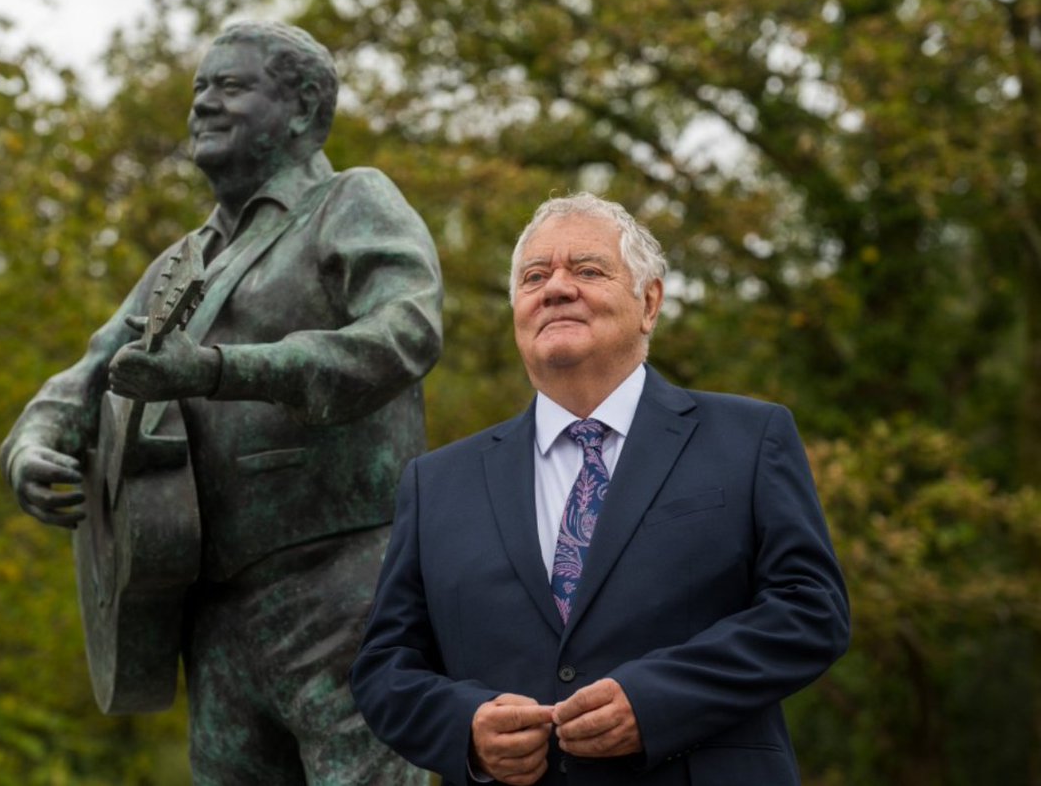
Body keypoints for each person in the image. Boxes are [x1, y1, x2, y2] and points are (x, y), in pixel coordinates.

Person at [0, 21, 442, 785]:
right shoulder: (182, 261)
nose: (202, 105)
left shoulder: (351, 202)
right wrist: (32, 445)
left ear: (302, 109)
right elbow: (84, 378)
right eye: (199, 89)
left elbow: (405, 333)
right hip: (216, 619)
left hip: (346, 592)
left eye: (229, 87)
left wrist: (218, 368)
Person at [350, 193, 849, 785]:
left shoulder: (750, 438)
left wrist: (656, 700)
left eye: (587, 270)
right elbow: (385, 668)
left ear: (650, 302)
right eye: (535, 276)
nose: (556, 288)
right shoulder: (435, 483)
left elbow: (811, 610)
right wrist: (465, 728)